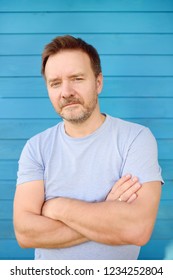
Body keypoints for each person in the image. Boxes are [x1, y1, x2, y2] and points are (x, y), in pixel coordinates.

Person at [13, 35, 163, 260]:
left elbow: (137, 229)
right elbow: (25, 234)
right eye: (55, 83)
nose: (66, 92)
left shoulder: (136, 138)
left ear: (98, 82)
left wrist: (56, 208)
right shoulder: (36, 148)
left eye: (77, 78)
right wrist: (108, 215)